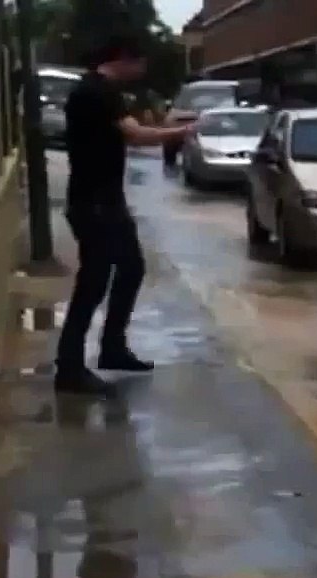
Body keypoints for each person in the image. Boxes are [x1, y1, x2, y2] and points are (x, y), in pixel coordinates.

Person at [57, 34, 195, 395]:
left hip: (105, 201)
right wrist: (182, 132)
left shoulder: (102, 91)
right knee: (93, 283)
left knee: (131, 268)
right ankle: (69, 367)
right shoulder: (96, 93)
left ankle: (112, 348)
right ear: (122, 57)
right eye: (140, 62)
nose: (143, 70)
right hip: (95, 204)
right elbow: (134, 135)